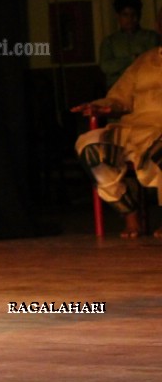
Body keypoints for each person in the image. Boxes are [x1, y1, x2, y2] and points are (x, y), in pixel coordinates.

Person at [72, 46, 162, 238]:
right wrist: (102, 107)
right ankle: (129, 213)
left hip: (159, 129)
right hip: (133, 128)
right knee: (92, 148)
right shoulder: (144, 60)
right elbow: (119, 97)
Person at [98, 0, 160, 87]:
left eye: (133, 14)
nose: (130, 19)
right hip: (118, 89)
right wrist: (131, 59)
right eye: (125, 15)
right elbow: (106, 66)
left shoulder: (151, 37)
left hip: (145, 87)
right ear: (118, 17)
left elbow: (153, 61)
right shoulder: (110, 41)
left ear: (139, 16)